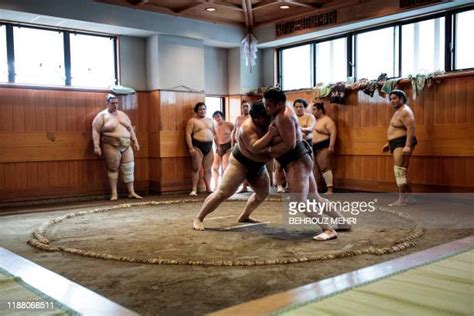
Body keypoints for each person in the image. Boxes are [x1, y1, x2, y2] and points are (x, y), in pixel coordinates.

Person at [255, 88, 349, 241]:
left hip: (296, 160)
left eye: (268, 105)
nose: (266, 109)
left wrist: (268, 149)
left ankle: (328, 229)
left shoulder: (283, 117)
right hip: (300, 159)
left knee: (299, 201)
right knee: (314, 197)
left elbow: (290, 144)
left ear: (279, 104)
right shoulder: (282, 113)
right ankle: (342, 222)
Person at [193, 101, 272, 231]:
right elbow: (256, 148)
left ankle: (244, 216)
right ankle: (199, 218)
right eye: (265, 116)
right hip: (241, 162)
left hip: (258, 164)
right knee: (223, 193)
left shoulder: (272, 122)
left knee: (263, 193)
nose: (268, 119)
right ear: (257, 117)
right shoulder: (247, 127)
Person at [92, 94, 142, 201]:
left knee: (129, 168)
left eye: (116, 103)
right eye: (112, 103)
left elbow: (130, 129)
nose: (115, 105)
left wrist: (135, 141)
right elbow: (95, 130)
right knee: (113, 168)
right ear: (107, 103)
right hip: (111, 144)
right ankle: (114, 194)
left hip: (126, 145)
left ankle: (131, 192)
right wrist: (96, 146)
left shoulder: (123, 115)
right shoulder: (102, 116)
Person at [382, 89, 417, 206]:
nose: (392, 101)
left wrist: (407, 145)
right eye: (391, 99)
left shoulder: (405, 111)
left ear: (402, 99)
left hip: (403, 143)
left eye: (395, 98)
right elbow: (397, 129)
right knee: (402, 171)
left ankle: (402, 200)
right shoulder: (398, 111)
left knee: (399, 171)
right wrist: (389, 143)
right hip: (396, 143)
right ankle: (410, 198)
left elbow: (411, 129)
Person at [186, 102, 217, 196]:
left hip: (209, 146)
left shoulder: (210, 120)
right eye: (200, 109)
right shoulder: (192, 121)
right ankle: (194, 189)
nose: (202, 111)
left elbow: (215, 134)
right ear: (196, 111)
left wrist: (218, 146)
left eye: (204, 109)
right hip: (197, 146)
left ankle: (209, 188)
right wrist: (190, 147)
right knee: (196, 168)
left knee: (208, 169)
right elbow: (187, 134)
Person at [312, 102, 336, 194]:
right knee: (315, 168)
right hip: (313, 146)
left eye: (314, 110)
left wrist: (331, 146)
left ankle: (330, 189)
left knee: (324, 167)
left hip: (324, 145)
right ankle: (318, 188)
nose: (312, 112)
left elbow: (333, 133)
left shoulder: (327, 120)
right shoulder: (314, 120)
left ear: (320, 110)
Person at [231, 101, 251, 193]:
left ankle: (253, 186)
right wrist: (232, 145)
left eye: (247, 106)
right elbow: (234, 131)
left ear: (250, 107)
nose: (245, 108)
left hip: (249, 145)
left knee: (250, 167)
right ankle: (243, 186)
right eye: (244, 106)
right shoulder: (238, 118)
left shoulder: (252, 118)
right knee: (241, 166)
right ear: (241, 108)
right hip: (238, 145)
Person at [212, 111, 234, 189]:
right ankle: (216, 185)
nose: (217, 118)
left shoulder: (229, 124)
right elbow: (214, 138)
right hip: (218, 147)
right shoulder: (214, 127)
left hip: (228, 146)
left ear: (222, 116)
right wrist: (216, 147)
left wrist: (233, 144)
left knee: (225, 167)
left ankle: (226, 185)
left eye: (218, 116)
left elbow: (236, 132)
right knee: (215, 167)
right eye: (215, 117)